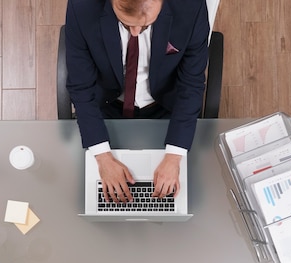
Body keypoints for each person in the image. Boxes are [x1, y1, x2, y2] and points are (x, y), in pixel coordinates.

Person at [65, 0, 209, 203]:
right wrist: (103, 157)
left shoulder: (190, 6)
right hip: (107, 105)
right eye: (125, 24)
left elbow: (191, 84)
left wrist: (174, 156)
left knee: (190, 194)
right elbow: (81, 87)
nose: (135, 32)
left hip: (166, 106)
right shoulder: (82, 7)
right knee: (84, 193)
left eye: (146, 25)